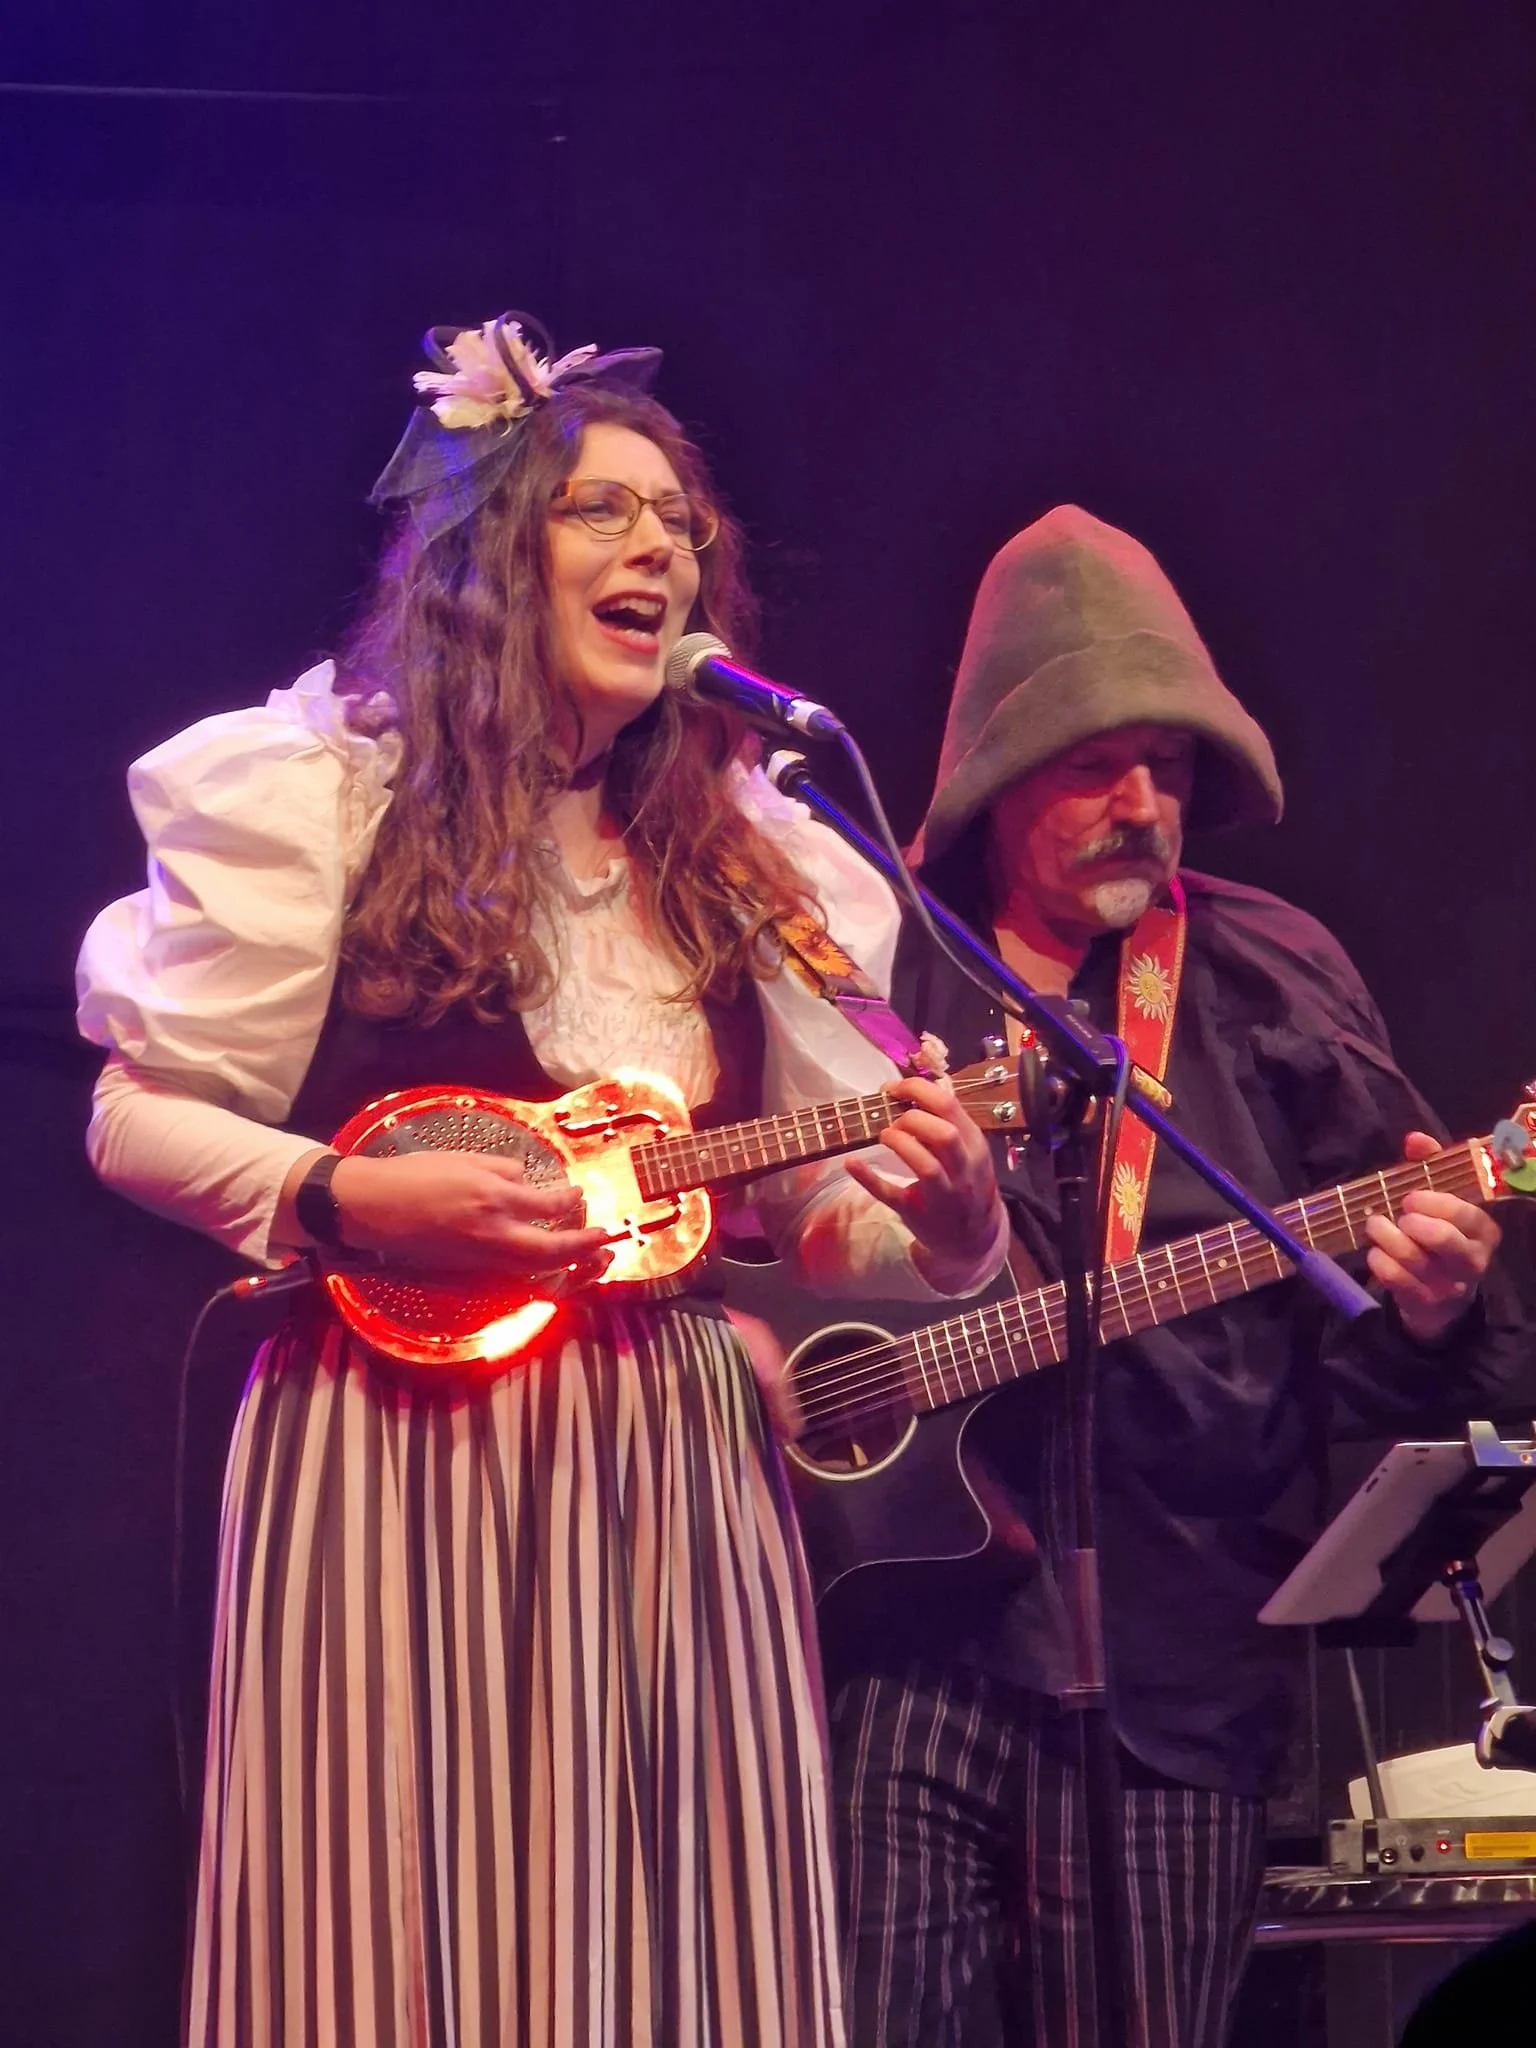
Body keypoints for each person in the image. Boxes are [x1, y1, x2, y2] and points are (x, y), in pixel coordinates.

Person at [74, 311, 1009, 2047]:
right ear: (489, 562)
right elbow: (133, 1117)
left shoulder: (753, 866)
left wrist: (947, 1228)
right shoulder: (326, 802)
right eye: (605, 513)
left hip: (667, 1465)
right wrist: (350, 1202)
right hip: (388, 1452)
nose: (663, 545)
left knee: (671, 1951)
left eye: (679, 524)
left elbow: (826, 1225)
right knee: (392, 1939)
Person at [821, 505, 1526, 2047]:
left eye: (1172, 765)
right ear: (1000, 783)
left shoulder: (1277, 972)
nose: (1143, 802)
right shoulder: (889, 962)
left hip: (1172, 1666)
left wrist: (1435, 1300)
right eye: (1094, 764)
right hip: (900, 1645)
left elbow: (1391, 1362)